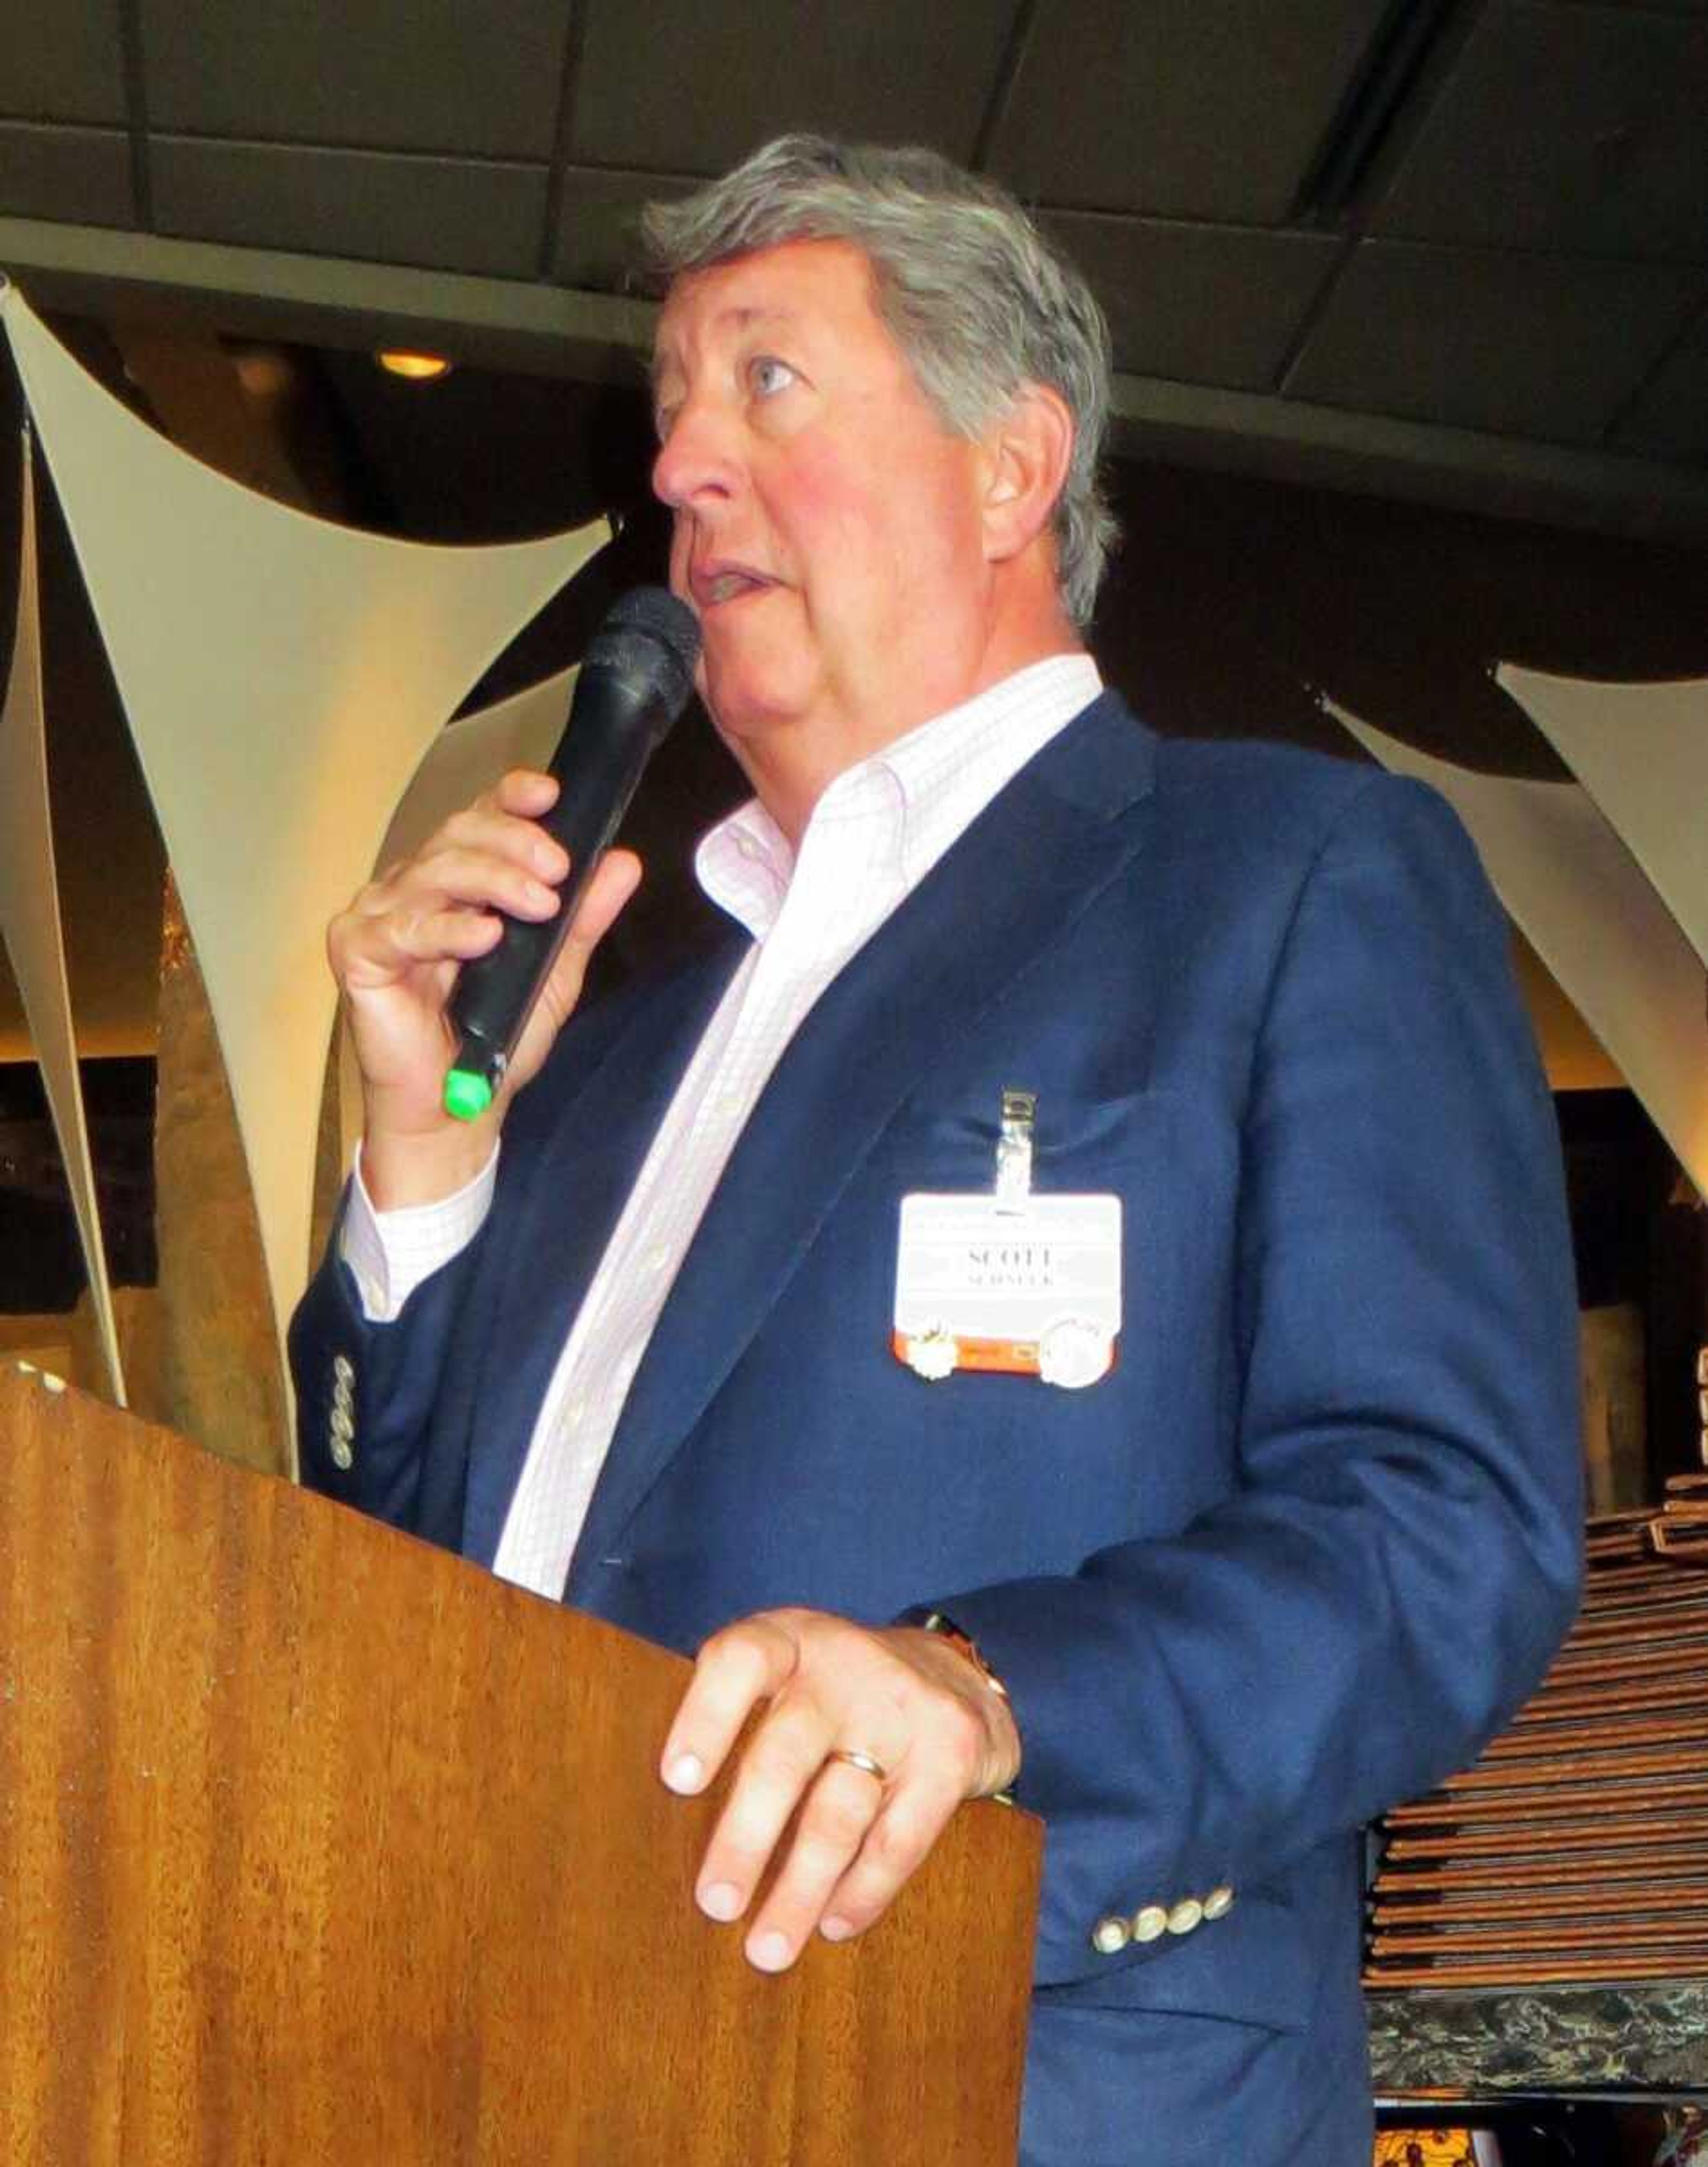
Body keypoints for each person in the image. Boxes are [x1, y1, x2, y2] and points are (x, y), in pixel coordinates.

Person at [289, 136, 1582, 2164]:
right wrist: (423, 1149)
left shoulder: (1281, 876)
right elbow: (393, 1597)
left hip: (1013, 2084)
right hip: (523, 2075)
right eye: (671, 414)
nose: (683, 470)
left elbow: (1444, 1527)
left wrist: (993, 1698)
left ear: (1010, 465)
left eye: (767, 384)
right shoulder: (615, 1052)